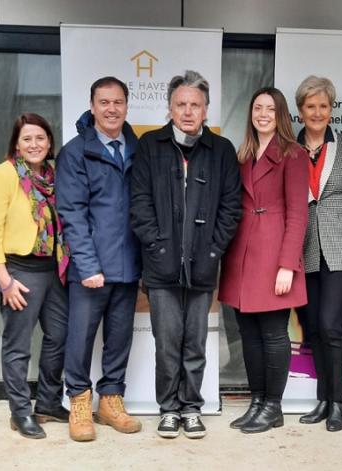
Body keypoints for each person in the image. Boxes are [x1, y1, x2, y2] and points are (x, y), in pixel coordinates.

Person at [131, 70, 241, 439]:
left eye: (196, 104)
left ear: (206, 110)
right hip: (160, 265)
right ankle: (168, 408)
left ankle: (191, 407)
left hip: (203, 264)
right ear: (170, 108)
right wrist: (156, 245)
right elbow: (140, 203)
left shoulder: (221, 150)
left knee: (195, 342)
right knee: (167, 342)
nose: (188, 111)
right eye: (181, 104)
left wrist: (213, 249)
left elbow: (231, 207)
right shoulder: (150, 146)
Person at [56, 76, 142, 442]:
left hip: (128, 264)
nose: (111, 109)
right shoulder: (76, 152)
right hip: (90, 269)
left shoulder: (139, 150)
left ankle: (110, 400)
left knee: (120, 339)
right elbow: (72, 213)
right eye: (104, 102)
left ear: (126, 106)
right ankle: (78, 400)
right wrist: (88, 266)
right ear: (92, 106)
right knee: (80, 338)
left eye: (118, 102)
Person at [219, 87, 309, 434]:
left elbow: (298, 214)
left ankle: (273, 406)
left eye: (271, 109)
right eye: (258, 107)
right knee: (248, 333)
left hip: (274, 254)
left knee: (272, 333)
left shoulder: (293, 154)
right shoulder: (243, 154)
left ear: (281, 114)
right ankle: (257, 401)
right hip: (242, 252)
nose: (263, 114)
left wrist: (288, 264)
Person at [0, 113, 69, 439]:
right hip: (17, 270)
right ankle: (20, 412)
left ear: (49, 143)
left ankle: (47, 403)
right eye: (27, 139)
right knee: (17, 345)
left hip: (52, 269)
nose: (34, 144)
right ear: (16, 143)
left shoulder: (54, 175)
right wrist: (4, 280)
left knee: (59, 336)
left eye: (40, 138)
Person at [294, 76, 342, 432]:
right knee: (314, 328)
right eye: (311, 106)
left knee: (332, 325)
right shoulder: (289, 146)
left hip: (339, 247)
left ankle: (340, 401)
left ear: (331, 109)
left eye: (323, 106)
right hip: (303, 248)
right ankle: (323, 399)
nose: (317, 112)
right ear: (301, 111)